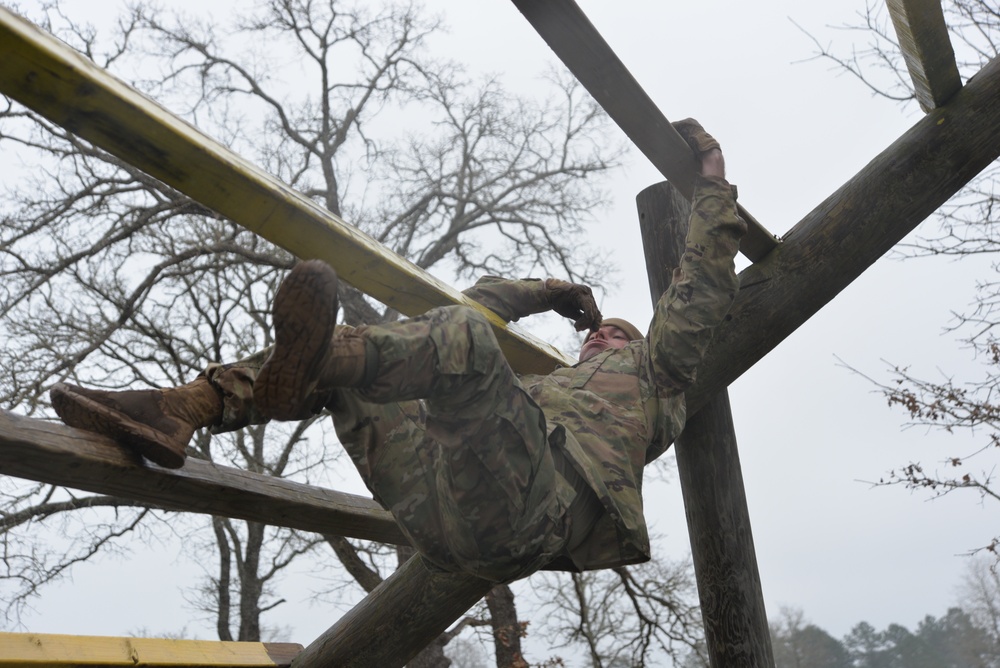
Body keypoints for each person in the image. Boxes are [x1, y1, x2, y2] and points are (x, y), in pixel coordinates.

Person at [50, 120, 744, 583]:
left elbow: (699, 297)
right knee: (378, 358)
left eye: (618, 333)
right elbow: (467, 305)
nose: (603, 336)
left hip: (531, 513)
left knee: (450, 343)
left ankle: (308, 368)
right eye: (600, 329)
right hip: (437, 502)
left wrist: (711, 186)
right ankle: (185, 408)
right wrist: (550, 292)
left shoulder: (657, 378)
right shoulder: (538, 390)